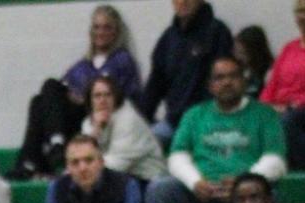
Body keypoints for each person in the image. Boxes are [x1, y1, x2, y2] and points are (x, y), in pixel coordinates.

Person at [146, 53, 286, 203]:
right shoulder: (194, 115)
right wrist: (195, 182)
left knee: (273, 197)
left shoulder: (264, 114)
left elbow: (276, 160)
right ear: (210, 85)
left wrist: (243, 182)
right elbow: (177, 156)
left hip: (245, 195)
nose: (227, 82)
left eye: (233, 76)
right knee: (158, 190)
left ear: (244, 80)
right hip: (202, 194)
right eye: (219, 78)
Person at [14, 5, 144, 178]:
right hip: (71, 119)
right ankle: (36, 158)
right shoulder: (83, 64)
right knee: (41, 98)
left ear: (116, 32)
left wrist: (85, 100)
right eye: (97, 27)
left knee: (48, 90)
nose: (101, 32)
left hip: (97, 119)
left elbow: (123, 98)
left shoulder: (122, 61)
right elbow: (56, 95)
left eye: (107, 27)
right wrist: (70, 95)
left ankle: (44, 153)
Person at [141, 0, 234, 142]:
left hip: (207, 124)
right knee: (138, 145)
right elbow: (154, 86)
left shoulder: (217, 33)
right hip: (173, 123)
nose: (183, 2)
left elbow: (222, 85)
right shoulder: (168, 38)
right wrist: (140, 122)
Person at [81, 75, 167, 183]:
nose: (102, 100)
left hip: (148, 179)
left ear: (116, 97)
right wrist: (96, 132)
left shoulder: (128, 120)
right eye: (97, 96)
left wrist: (80, 171)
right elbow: (82, 154)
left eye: (107, 95)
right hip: (119, 177)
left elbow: (116, 165)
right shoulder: (88, 123)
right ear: (90, 100)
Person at [262, 0, 305, 167]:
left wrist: (291, 105)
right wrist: (264, 105)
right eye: (299, 11)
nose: (302, 16)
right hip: (279, 108)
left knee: (287, 121)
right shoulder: (289, 48)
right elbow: (272, 85)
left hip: (298, 112)